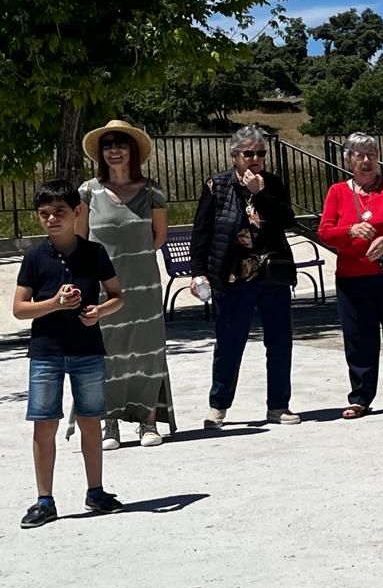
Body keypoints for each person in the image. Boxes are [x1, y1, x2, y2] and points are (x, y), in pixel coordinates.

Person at [16, 181, 125, 528]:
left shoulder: (94, 254)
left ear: (77, 212)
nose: (51, 219)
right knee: (44, 424)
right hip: (46, 352)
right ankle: (44, 499)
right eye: (44, 214)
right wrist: (53, 303)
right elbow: (19, 309)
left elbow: (117, 296)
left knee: (90, 422)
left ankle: (96, 491)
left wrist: (99, 312)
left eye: (60, 212)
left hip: (87, 350)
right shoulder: (34, 257)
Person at [75, 119, 176, 448]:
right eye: (107, 145)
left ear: (132, 150)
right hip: (103, 287)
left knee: (146, 350)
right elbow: (80, 238)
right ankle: (110, 424)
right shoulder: (88, 191)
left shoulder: (152, 190)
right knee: (107, 352)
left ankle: (147, 423)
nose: (113, 150)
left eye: (120, 143)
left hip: (144, 286)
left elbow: (158, 238)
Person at [191, 125, 301, 427]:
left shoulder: (272, 184)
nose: (255, 159)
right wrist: (198, 273)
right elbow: (202, 232)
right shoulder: (218, 185)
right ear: (234, 155)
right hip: (233, 276)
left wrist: (261, 193)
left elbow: (285, 220)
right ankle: (218, 405)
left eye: (260, 154)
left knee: (279, 341)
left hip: (272, 274)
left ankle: (278, 405)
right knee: (229, 342)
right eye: (248, 153)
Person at [318, 133, 383, 418]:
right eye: (360, 155)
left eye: (372, 155)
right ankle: (360, 397)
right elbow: (325, 232)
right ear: (349, 160)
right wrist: (350, 230)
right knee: (359, 336)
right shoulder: (337, 192)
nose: (367, 161)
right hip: (353, 277)